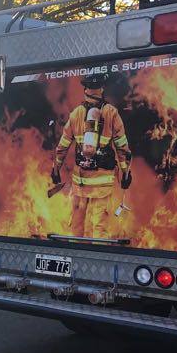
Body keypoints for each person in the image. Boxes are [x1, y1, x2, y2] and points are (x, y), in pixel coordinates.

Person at [52, 72, 132, 240]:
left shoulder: (76, 114)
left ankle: (75, 256)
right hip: (102, 185)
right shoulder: (111, 113)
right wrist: (125, 173)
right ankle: (98, 258)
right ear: (102, 89)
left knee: (76, 225)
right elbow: (122, 148)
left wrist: (56, 169)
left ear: (86, 89)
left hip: (80, 183)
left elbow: (62, 147)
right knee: (99, 228)